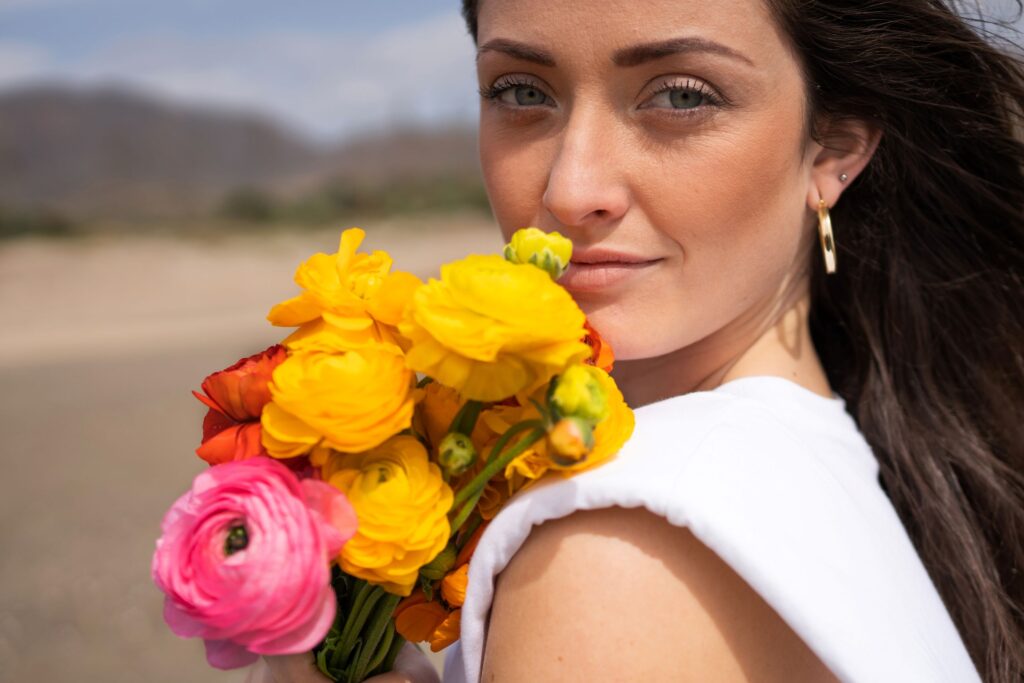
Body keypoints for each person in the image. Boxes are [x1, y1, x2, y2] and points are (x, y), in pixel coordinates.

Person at [256, 0, 1024, 681]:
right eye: (521, 91)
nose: (570, 189)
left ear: (833, 150)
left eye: (682, 96)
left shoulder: (616, 547)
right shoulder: (850, 463)